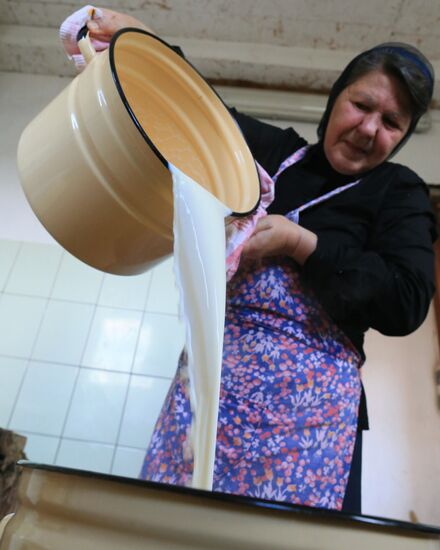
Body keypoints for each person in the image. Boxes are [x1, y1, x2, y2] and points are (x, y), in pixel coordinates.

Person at [86, 9, 437, 513]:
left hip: (307, 423)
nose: (368, 128)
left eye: (391, 123)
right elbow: (200, 115)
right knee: (168, 527)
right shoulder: (275, 152)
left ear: (403, 136)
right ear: (336, 96)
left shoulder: (397, 192)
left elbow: (406, 301)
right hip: (213, 390)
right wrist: (143, 42)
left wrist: (301, 244)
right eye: (362, 105)